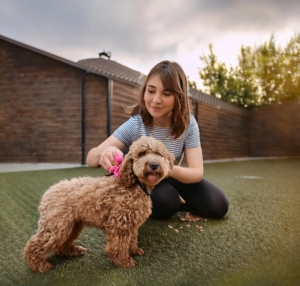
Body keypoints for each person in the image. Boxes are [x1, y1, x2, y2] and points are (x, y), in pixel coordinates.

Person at [86, 60, 229, 219]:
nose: (156, 100)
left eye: (166, 94)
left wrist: (164, 167)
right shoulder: (136, 123)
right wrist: (106, 152)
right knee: (167, 201)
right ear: (144, 91)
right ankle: (170, 200)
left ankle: (177, 200)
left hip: (169, 175)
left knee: (218, 205)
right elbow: (91, 159)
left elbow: (196, 172)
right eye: (151, 91)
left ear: (178, 98)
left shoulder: (188, 124)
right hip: (141, 179)